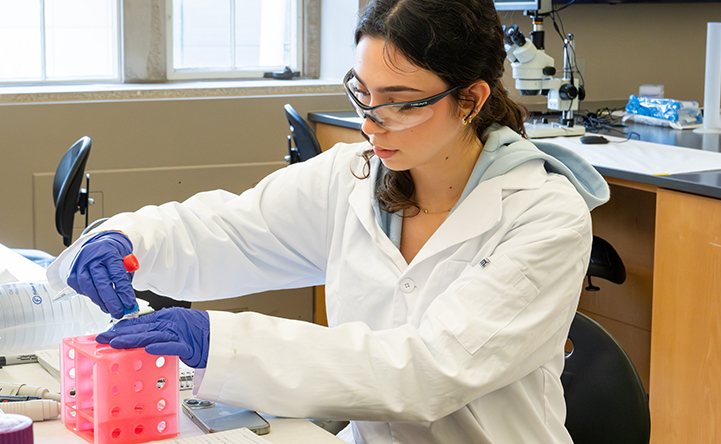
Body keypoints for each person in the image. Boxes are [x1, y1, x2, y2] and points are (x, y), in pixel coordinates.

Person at [47, 0, 609, 442]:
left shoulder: (543, 215)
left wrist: (219, 340)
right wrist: (128, 240)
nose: (371, 122)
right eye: (362, 94)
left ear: (470, 100)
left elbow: (425, 371)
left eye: (400, 101)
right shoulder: (355, 176)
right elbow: (230, 230)